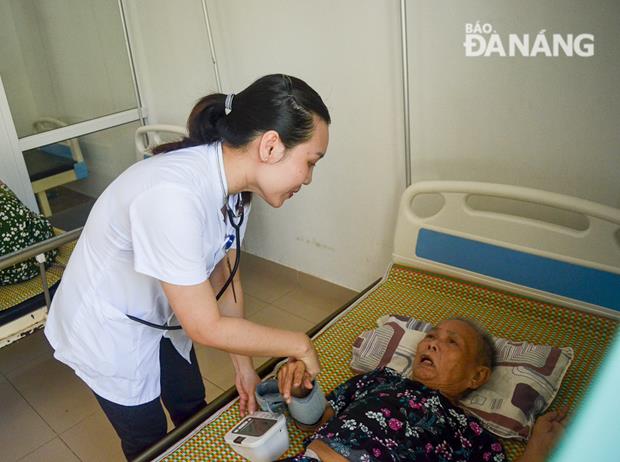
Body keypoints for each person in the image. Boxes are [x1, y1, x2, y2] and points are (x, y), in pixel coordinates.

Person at [44, 74, 330, 460]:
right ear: (271, 145)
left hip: (164, 311)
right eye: (310, 162)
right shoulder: (172, 195)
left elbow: (226, 283)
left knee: (191, 403)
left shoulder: (237, 192)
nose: (309, 178)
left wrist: (244, 369)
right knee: (148, 438)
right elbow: (204, 326)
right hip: (109, 327)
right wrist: (298, 343)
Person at [276, 318, 567, 462]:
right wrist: (302, 393)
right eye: (430, 336)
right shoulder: (379, 379)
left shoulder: (471, 433)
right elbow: (317, 420)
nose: (431, 343)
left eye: (451, 342)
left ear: (477, 375)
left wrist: (538, 446)